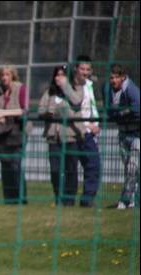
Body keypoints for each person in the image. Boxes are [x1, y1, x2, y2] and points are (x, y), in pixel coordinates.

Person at [38, 65, 83, 206]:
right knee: (55, 170)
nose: (59, 78)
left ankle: (69, 200)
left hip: (70, 136)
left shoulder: (77, 89)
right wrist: (47, 113)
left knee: (71, 169)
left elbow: (76, 103)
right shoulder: (49, 92)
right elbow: (40, 110)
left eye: (62, 75)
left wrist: (65, 87)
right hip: (53, 137)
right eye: (57, 75)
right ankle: (59, 197)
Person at [0, 65, 29, 204]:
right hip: (2, 133)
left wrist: (4, 113)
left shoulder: (21, 88)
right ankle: (9, 199)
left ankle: (21, 198)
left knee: (15, 165)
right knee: (5, 167)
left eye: (7, 74)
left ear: (12, 76)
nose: (4, 78)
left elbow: (24, 110)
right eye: (2, 75)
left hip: (18, 132)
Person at [105, 63, 140, 209]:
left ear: (123, 77)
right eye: (111, 78)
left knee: (132, 168)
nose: (113, 81)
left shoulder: (130, 89)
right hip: (123, 133)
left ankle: (125, 200)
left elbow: (137, 108)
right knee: (128, 169)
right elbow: (110, 110)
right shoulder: (109, 91)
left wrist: (122, 113)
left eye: (115, 77)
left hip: (136, 134)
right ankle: (133, 199)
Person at [73, 55, 101, 207]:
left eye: (87, 69)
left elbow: (91, 107)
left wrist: (96, 124)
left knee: (93, 165)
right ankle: (71, 199)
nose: (85, 72)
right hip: (78, 131)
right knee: (77, 166)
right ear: (76, 69)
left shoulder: (90, 85)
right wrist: (88, 125)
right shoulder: (72, 86)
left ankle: (87, 199)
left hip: (90, 134)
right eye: (82, 69)